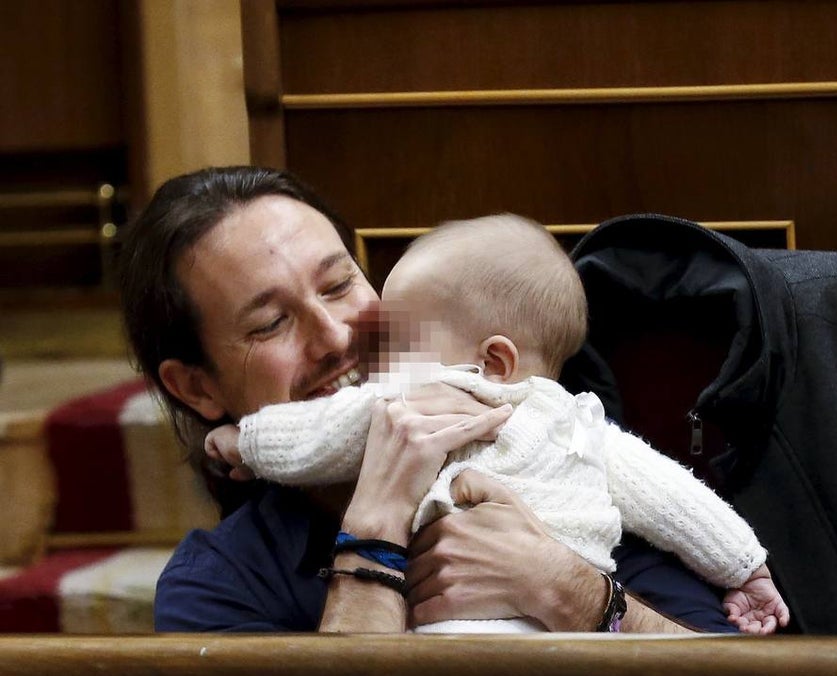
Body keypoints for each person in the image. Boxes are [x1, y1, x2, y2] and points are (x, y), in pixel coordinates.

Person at [120, 165, 741, 634]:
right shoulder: (221, 584)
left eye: (340, 286)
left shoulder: (547, 443)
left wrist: (567, 587)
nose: (339, 337)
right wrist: (376, 523)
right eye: (270, 324)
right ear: (196, 387)